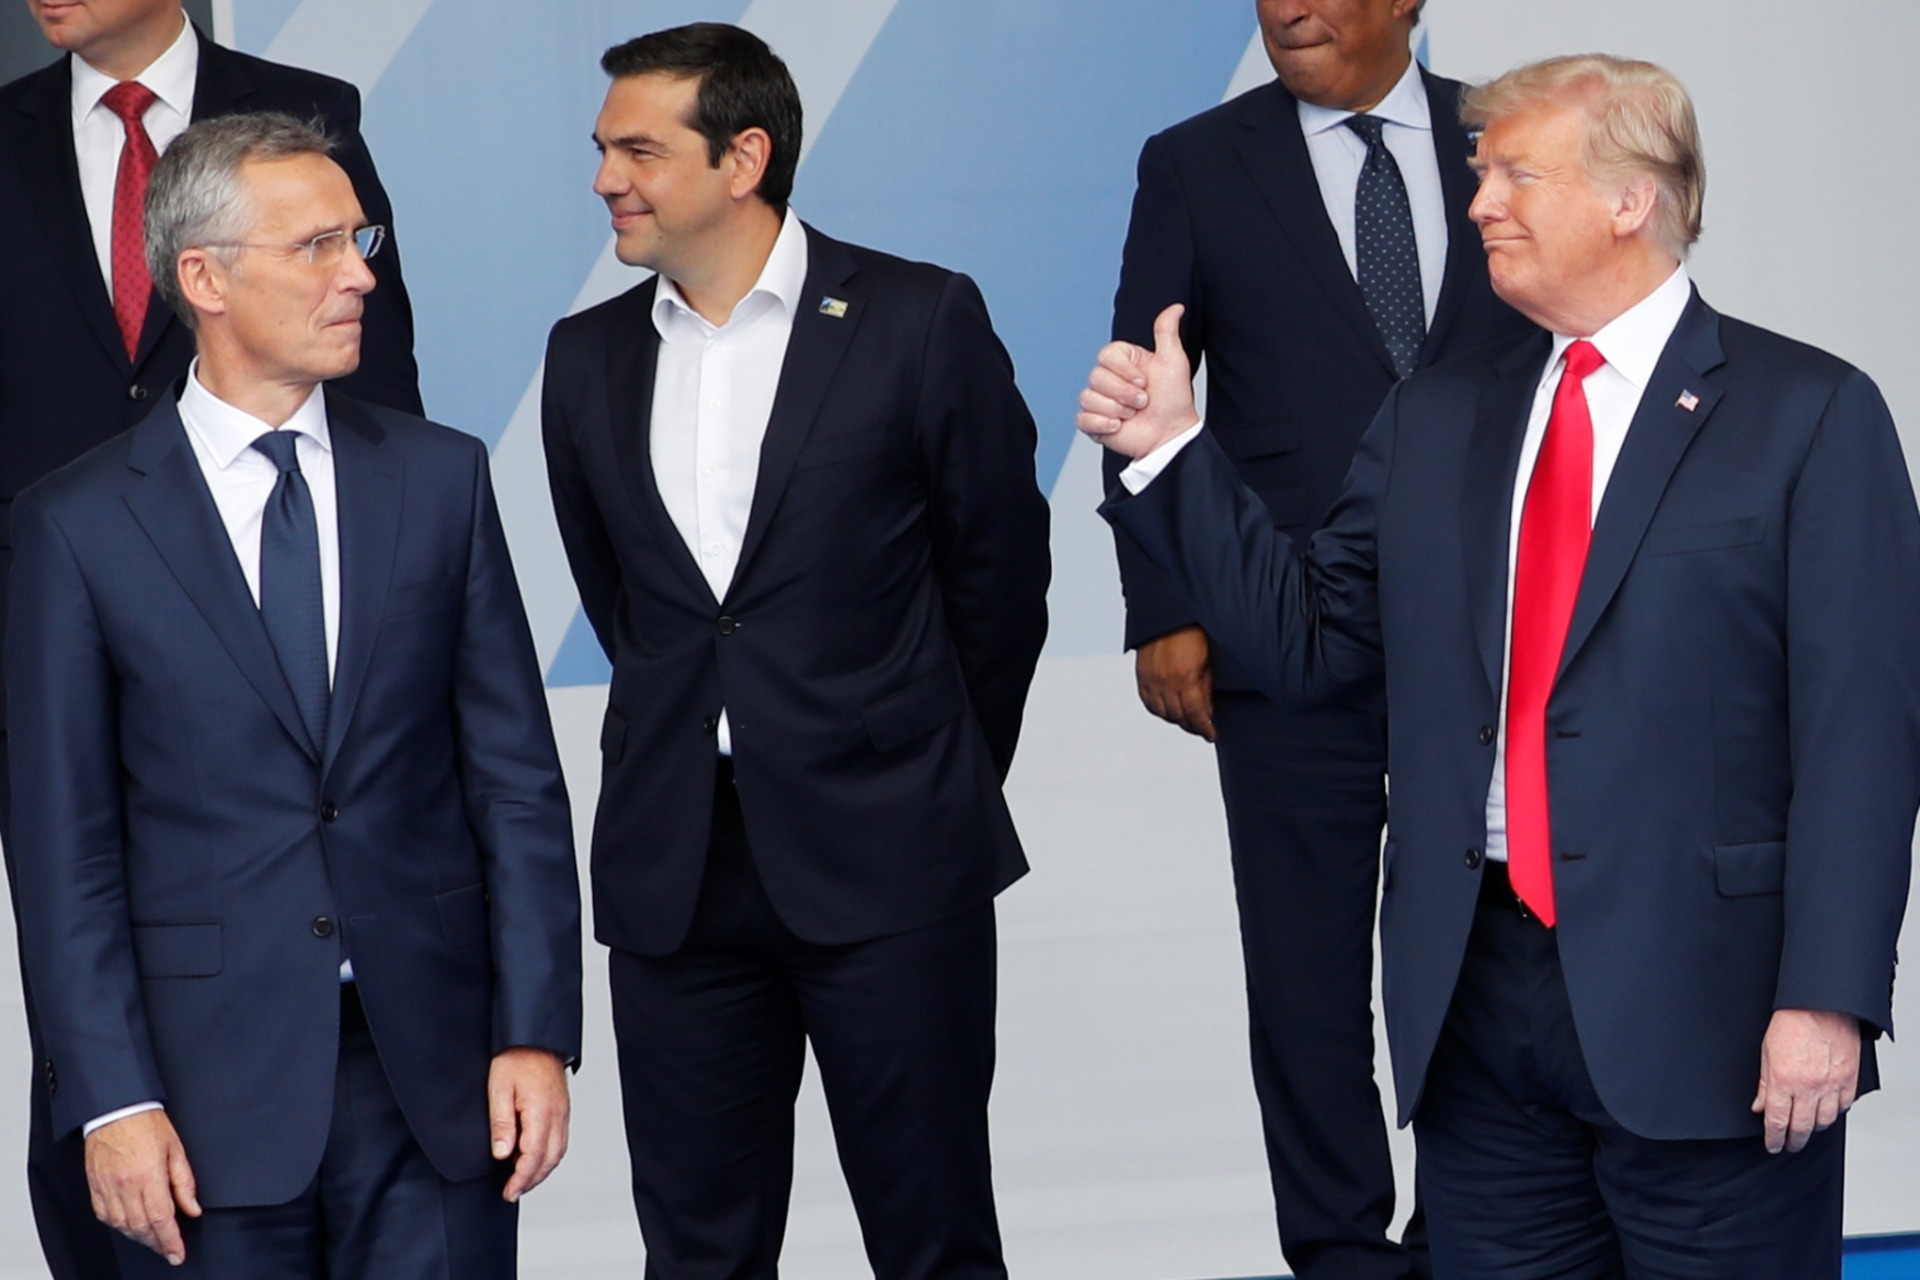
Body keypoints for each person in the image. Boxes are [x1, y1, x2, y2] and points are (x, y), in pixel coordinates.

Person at [1080, 54, 1915, 1279]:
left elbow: (1862, 736)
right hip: (1478, 1010)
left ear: (1633, 198)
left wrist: (1829, 997)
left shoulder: (1810, 413)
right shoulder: (1437, 417)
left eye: (1517, 171)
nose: (1478, 204)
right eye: (1478, 173)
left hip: (1715, 1017)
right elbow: (1307, 645)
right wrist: (1173, 454)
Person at [7, 112, 581, 1278]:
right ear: (203, 278)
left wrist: (536, 1029)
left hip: (434, 1079)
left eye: (357, 237)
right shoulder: (73, 526)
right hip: (196, 1097)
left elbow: (516, 782)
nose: (359, 273)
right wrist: (111, 1097)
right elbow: (64, 849)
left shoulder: (441, 477)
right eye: (316, 245)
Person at [542, 23, 1049, 1279]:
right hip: (677, 868)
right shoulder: (584, 357)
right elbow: (630, 607)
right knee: (697, 1247)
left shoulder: (919, 317)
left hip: (891, 849)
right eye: (604, 148)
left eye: (639, 149)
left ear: (743, 156)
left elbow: (999, 581)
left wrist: (925, 763)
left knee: (932, 1235)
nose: (607, 176)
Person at [1103, 2, 1529, 1274]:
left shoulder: (1510, 134)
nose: (1288, 6)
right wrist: (1166, 603)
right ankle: (1340, 1249)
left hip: (1504, 625)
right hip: (1279, 620)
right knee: (1304, 971)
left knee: (1489, 945)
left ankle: (1479, 1228)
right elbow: (1139, 387)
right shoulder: (1193, 161)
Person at [0, 5, 421, 1271]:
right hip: (55, 627)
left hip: (273, 623)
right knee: (88, 992)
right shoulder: (7, 135)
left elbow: (378, 367)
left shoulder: (307, 105)